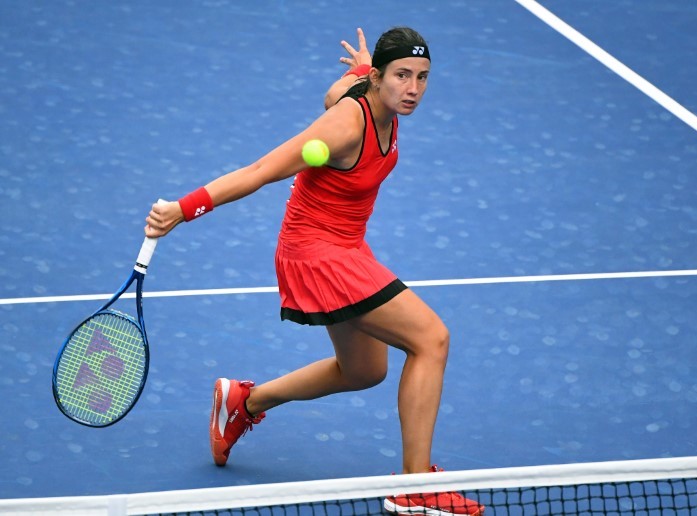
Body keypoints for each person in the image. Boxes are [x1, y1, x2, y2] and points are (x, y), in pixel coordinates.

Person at [145, 27, 484, 516]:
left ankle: (244, 402)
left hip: (345, 247)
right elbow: (260, 170)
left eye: (422, 78)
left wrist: (363, 70)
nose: (413, 89)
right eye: (402, 76)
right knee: (431, 339)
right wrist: (184, 208)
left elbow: (335, 91)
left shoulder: (374, 99)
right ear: (379, 77)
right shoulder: (346, 125)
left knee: (365, 370)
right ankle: (415, 487)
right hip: (316, 254)